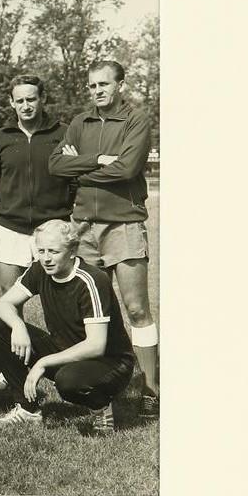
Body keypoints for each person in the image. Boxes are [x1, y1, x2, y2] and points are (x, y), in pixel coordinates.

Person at [48, 58, 158, 419]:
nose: (97, 91)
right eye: (92, 85)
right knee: (91, 315)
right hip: (82, 228)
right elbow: (55, 166)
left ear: (120, 85)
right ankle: (102, 395)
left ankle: (150, 390)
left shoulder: (136, 120)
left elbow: (127, 169)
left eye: (104, 85)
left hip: (123, 224)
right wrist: (98, 159)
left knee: (137, 309)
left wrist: (80, 169)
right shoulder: (79, 123)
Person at [0, 218, 135, 436]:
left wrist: (42, 363)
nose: (46, 258)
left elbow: (96, 345)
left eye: (53, 251)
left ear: (72, 250)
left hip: (110, 362)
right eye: (41, 250)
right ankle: (28, 409)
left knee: (68, 382)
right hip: (66, 353)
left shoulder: (92, 279)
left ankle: (100, 406)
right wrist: (18, 326)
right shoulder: (40, 269)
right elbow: (3, 303)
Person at [0, 75, 73, 294]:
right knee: (9, 292)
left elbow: (75, 180)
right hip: (11, 227)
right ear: (12, 102)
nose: (26, 106)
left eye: (31, 99)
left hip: (53, 227)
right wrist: (11, 209)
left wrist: (59, 210)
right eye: (20, 101)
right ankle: (16, 331)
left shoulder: (64, 133)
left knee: (62, 293)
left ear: (43, 98)